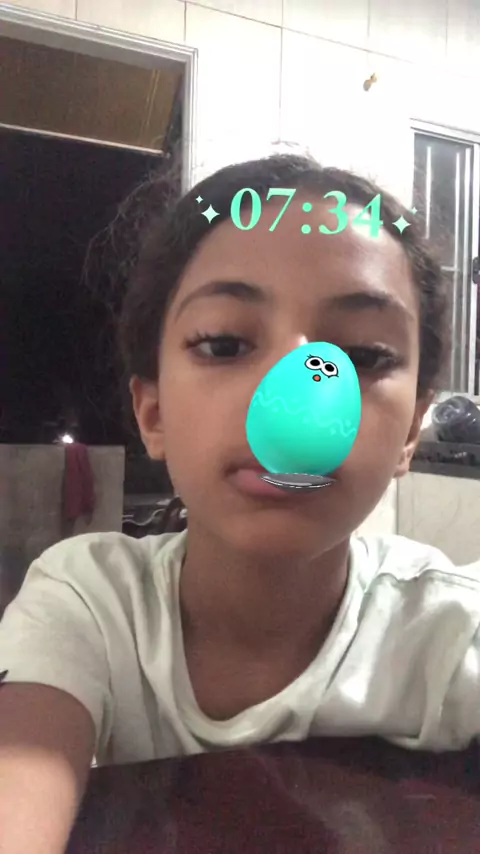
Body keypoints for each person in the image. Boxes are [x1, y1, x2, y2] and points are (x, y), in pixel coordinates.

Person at [0, 152, 478, 852]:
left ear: (411, 429)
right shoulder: (89, 606)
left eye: (364, 356)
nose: (297, 403)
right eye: (224, 344)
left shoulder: (449, 633)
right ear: (153, 413)